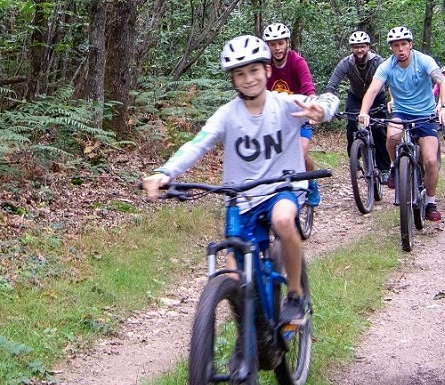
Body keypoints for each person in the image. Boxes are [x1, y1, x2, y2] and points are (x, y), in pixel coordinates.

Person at [141, 35, 340, 325]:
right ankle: (250, 340)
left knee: (284, 220)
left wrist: (322, 109)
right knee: (235, 277)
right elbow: (197, 144)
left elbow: (328, 99)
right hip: (242, 199)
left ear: (267, 71)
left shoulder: (285, 104)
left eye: (254, 71)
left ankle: (296, 295)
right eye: (240, 74)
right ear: (233, 79)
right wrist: (164, 172)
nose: (248, 79)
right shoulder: (226, 115)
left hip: (281, 189)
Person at [358, 26, 445, 222]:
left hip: (425, 114)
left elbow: (442, 82)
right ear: (391, 48)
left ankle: (431, 202)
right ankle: (394, 166)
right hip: (401, 112)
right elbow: (373, 90)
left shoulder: (424, 61)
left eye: (403, 44)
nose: (400, 49)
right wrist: (363, 112)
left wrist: (444, 106)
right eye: (395, 45)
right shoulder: (386, 66)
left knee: (431, 161)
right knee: (392, 135)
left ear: (410, 45)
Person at [262, 22, 322, 207]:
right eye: (273, 44)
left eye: (280, 43)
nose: (277, 48)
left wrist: (311, 108)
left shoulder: (297, 62)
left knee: (300, 154)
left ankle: (311, 183)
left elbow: (308, 87)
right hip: (274, 118)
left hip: (299, 116)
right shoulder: (265, 65)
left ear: (287, 43)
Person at [325, 31, 391, 183]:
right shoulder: (346, 63)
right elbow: (332, 84)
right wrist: (328, 103)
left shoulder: (378, 61)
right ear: (351, 49)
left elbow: (389, 82)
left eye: (362, 47)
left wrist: (391, 99)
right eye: (356, 47)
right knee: (352, 125)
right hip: (355, 97)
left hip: (377, 97)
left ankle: (384, 168)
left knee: (379, 129)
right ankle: (355, 157)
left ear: (368, 47)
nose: (359, 50)